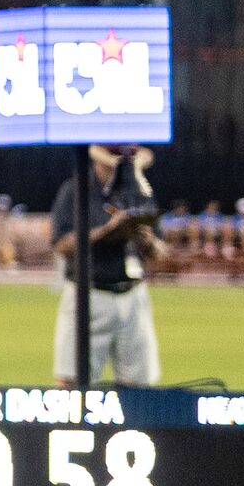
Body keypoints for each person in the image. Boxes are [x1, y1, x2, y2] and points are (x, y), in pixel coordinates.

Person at [49, 143, 162, 384]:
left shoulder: (139, 191)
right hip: (89, 292)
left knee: (139, 385)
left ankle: (131, 425)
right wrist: (107, 231)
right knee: (72, 383)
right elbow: (62, 245)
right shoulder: (76, 189)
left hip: (132, 293)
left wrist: (147, 241)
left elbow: (159, 252)